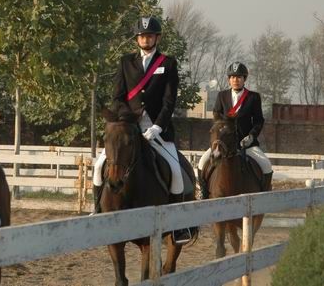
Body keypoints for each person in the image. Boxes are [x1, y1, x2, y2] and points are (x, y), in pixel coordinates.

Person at [92, 16, 192, 243]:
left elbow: (169, 101)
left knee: (176, 172)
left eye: (149, 35)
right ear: (137, 39)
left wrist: (157, 126)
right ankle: (97, 211)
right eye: (142, 36)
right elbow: (117, 97)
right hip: (129, 126)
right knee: (99, 167)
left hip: (157, 128)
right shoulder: (126, 62)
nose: (145, 39)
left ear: (157, 37)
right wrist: (126, 118)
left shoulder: (168, 63)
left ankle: (178, 227)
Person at [197, 62, 273, 198]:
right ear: (228, 79)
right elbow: (216, 115)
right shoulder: (222, 96)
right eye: (232, 77)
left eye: (239, 77)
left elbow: (258, 120)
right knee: (202, 162)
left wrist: (251, 136)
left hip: (246, 143)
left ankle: (265, 196)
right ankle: (203, 192)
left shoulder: (253, 97)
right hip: (224, 143)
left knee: (266, 165)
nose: (235, 80)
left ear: (244, 79)